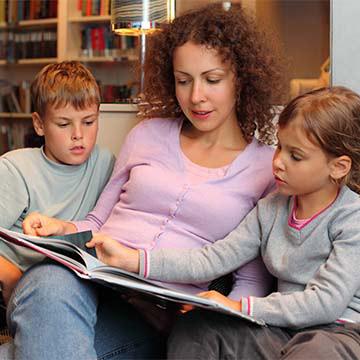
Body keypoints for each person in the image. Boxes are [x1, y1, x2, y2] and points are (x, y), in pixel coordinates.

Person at [7, 3, 283, 359]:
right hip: (90, 283)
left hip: (154, 318)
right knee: (47, 282)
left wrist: (205, 322)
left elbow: (251, 284)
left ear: (241, 79)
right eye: (183, 81)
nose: (195, 96)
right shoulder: (147, 134)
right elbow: (96, 223)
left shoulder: (265, 168)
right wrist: (58, 228)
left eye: (212, 80)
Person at [89, 86, 360, 359]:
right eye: (279, 146)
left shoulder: (352, 218)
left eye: (295, 156)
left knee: (314, 353)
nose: (278, 162)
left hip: (337, 334)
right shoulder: (271, 209)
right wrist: (131, 259)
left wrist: (240, 306)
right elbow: (212, 259)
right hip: (281, 331)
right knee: (195, 327)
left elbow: (326, 303)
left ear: (338, 167)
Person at [0, 61, 115, 305]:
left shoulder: (105, 163)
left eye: (88, 122)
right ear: (39, 124)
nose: (78, 135)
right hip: (12, 281)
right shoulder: (15, 168)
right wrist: (10, 276)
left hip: (66, 285)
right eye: (64, 124)